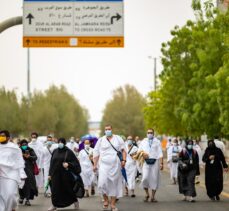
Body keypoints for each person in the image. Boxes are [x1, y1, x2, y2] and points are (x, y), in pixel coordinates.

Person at [93, 125, 126, 211]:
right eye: (106, 129)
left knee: (114, 184)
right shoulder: (101, 140)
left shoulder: (118, 138)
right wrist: (94, 165)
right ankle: (106, 200)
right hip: (103, 165)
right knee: (102, 183)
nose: (108, 131)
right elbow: (96, 153)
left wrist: (124, 160)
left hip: (115, 165)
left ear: (112, 129)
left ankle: (113, 204)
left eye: (109, 129)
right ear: (104, 131)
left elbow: (123, 150)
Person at [48, 138, 81, 211]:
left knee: (68, 189)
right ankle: (54, 205)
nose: (60, 143)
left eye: (62, 142)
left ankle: (75, 202)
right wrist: (49, 174)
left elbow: (75, 163)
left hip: (65, 175)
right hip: (55, 174)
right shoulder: (55, 151)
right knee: (54, 190)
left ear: (64, 143)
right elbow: (52, 163)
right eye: (59, 142)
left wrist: (68, 164)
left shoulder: (68, 152)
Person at [0, 130, 26, 211]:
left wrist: (22, 173)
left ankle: (12, 207)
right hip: (0, 173)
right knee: (1, 196)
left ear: (8, 137)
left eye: (3, 136)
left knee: (11, 195)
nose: (1, 138)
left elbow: (19, 161)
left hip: (12, 173)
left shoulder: (14, 148)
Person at [139, 128, 163, 202]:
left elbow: (160, 153)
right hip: (146, 162)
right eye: (148, 132)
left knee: (154, 179)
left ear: (153, 133)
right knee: (144, 178)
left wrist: (162, 163)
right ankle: (147, 194)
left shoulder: (157, 141)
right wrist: (143, 154)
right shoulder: (143, 141)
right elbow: (139, 151)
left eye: (151, 132)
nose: (149, 134)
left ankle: (153, 196)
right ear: (146, 133)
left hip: (155, 162)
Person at [19, 139, 38, 206]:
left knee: (28, 184)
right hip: (20, 170)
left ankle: (27, 199)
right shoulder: (18, 150)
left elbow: (35, 157)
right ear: (20, 145)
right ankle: (21, 197)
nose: (24, 146)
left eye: (25, 144)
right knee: (21, 184)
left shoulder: (30, 150)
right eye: (23, 145)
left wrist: (29, 156)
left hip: (29, 170)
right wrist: (21, 155)